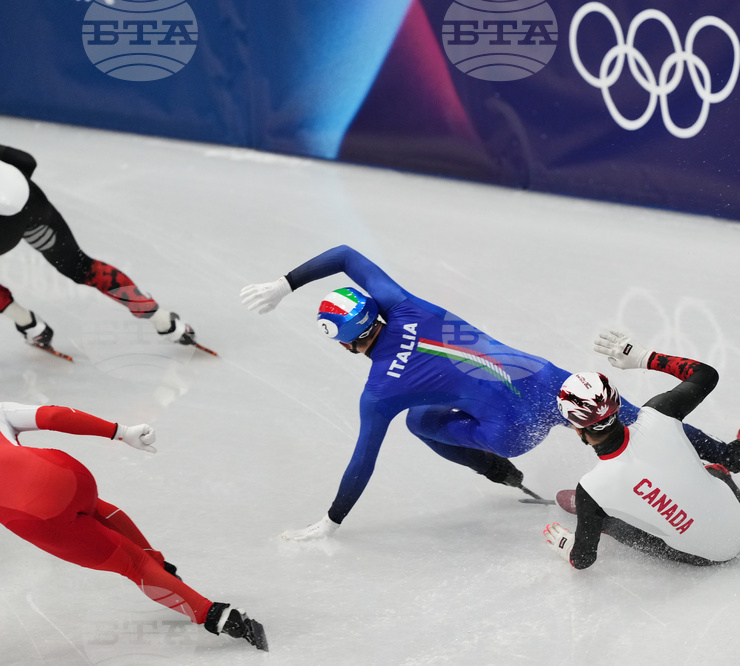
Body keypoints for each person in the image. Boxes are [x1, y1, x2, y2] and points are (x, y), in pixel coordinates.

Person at [239, 245, 653, 541]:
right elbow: (345, 255)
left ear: (345, 344)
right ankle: (711, 452)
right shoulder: (403, 305)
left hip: (511, 434)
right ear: (373, 310)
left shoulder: (380, 391)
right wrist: (286, 283)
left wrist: (333, 519)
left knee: (420, 419)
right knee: (634, 419)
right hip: (544, 380)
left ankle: (495, 468)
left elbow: (363, 459)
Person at [0, 401, 268, 651]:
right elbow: (53, 416)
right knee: (94, 510)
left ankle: (218, 617)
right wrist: (121, 431)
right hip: (68, 474)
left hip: (36, 515)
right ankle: (163, 569)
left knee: (135, 566)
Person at [542, 329, 740, 570]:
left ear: (576, 428)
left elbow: (583, 560)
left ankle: (598, 519)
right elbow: (706, 375)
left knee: (611, 522)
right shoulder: (659, 414)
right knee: (703, 464)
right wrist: (645, 358)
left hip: (707, 557)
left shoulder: (590, 489)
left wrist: (568, 546)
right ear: (616, 404)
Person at [0, 144, 197, 353]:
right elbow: (26, 160)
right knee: (80, 266)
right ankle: (164, 321)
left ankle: (29, 323)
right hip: (34, 206)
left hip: (9, 226)